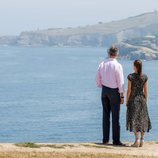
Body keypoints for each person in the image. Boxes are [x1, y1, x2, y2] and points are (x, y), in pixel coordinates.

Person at [96, 45, 125, 146]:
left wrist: (102, 86)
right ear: (116, 54)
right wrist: (122, 95)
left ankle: (105, 140)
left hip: (104, 90)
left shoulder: (102, 64)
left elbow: (97, 78)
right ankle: (116, 140)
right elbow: (120, 81)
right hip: (114, 91)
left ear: (109, 53)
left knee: (105, 116)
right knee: (115, 117)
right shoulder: (118, 65)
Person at [126, 60, 152, 147]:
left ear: (135, 66)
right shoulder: (144, 77)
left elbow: (129, 91)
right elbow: (146, 91)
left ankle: (136, 140)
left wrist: (126, 101)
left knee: (134, 119)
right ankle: (142, 140)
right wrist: (146, 101)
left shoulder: (130, 77)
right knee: (143, 119)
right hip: (142, 100)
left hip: (133, 100)